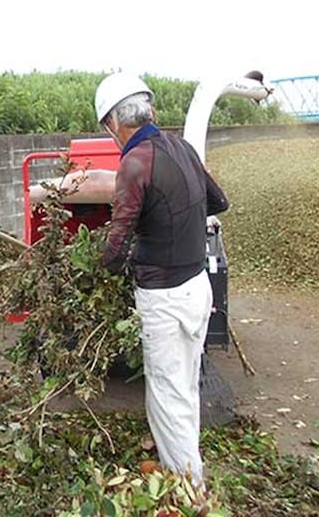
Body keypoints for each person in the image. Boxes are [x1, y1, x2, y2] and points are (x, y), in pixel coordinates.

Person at [94, 73, 229, 487]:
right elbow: (218, 201)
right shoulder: (183, 149)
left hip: (165, 300)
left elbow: (116, 247)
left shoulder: (134, 162)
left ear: (114, 123)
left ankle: (189, 487)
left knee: (167, 396)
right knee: (184, 385)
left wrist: (95, 273)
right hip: (196, 286)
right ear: (150, 110)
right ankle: (182, 468)